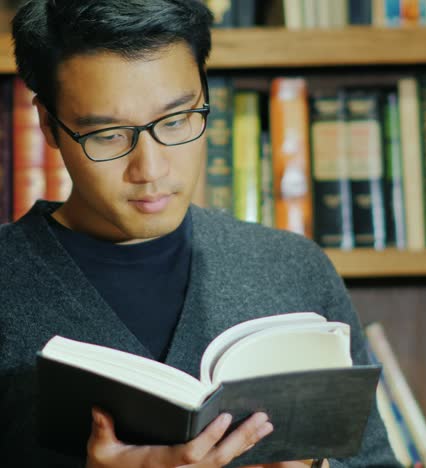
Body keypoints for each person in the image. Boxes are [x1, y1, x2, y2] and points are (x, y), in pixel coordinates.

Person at [0, 0, 400, 467]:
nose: (150, 169)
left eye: (175, 121)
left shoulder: (293, 270)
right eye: (107, 134)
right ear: (48, 124)